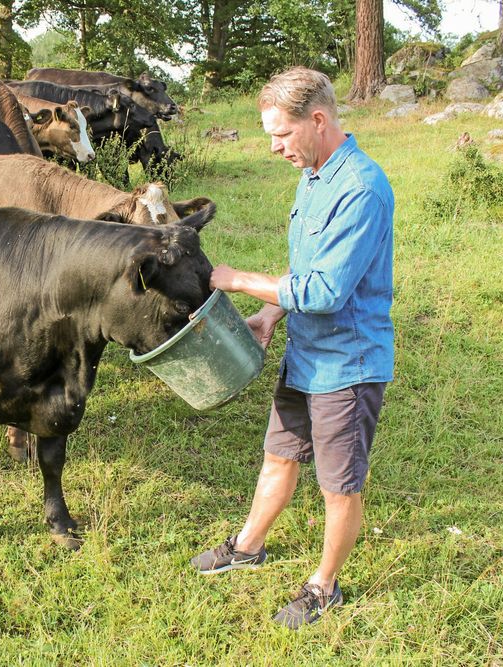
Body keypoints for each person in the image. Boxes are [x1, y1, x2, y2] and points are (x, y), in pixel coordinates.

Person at [191, 67, 394, 629]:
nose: (276, 147)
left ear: (318, 120)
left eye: (282, 135)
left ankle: (324, 587)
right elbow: (306, 271)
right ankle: (249, 545)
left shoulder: (362, 189)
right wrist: (269, 313)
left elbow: (327, 291)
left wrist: (237, 281)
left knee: (339, 484)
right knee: (278, 454)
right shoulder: (314, 176)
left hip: (346, 365)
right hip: (305, 353)